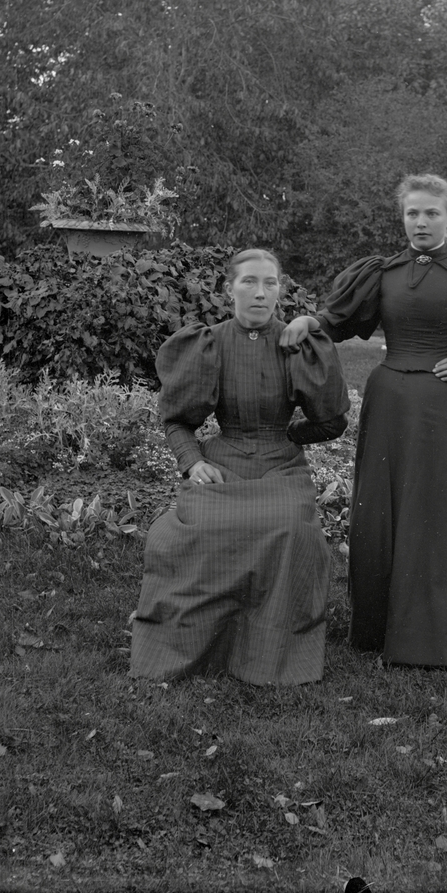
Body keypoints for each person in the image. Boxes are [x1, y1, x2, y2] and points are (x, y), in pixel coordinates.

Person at [280, 175, 447, 673]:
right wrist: (308, 322)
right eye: (412, 213)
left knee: (444, 513)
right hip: (389, 403)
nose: (421, 222)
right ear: (402, 218)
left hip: (444, 406)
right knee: (387, 510)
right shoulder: (382, 272)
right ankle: (383, 627)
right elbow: (337, 321)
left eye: (431, 213)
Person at [130, 249, 350, 686]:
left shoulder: (296, 343)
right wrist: (193, 462)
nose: (260, 292)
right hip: (222, 458)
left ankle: (269, 652)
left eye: (270, 283)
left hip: (280, 463)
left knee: (290, 526)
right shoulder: (209, 343)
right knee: (204, 523)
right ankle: (196, 643)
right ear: (228, 289)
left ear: (279, 291)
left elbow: (333, 421)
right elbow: (177, 421)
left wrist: (292, 436)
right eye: (249, 281)